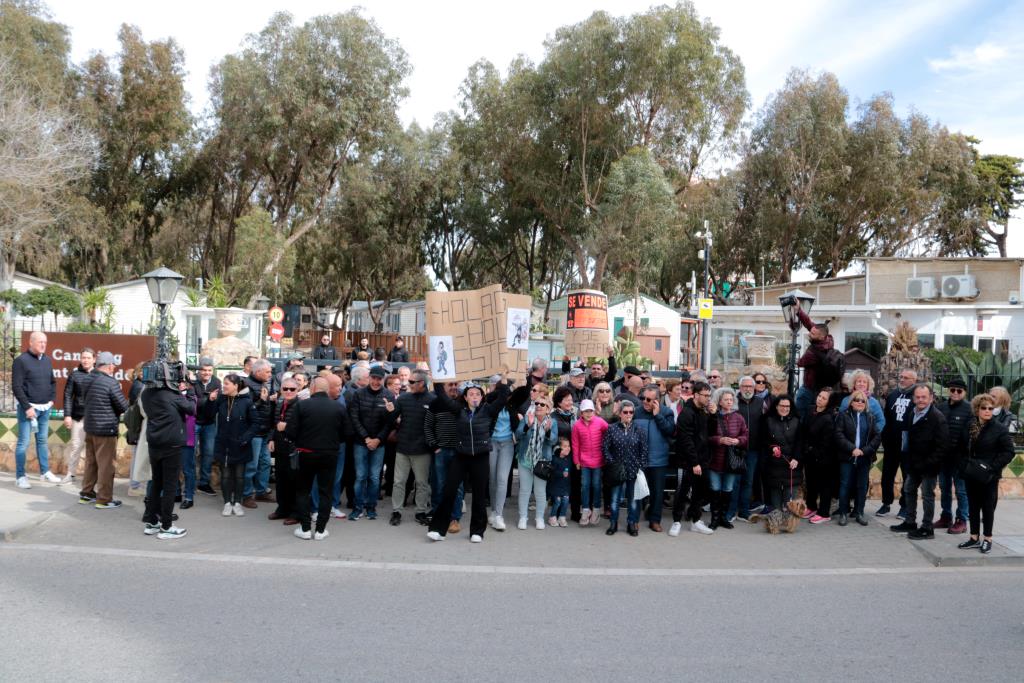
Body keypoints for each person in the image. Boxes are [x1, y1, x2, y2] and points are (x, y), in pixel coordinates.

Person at [426, 378, 511, 543]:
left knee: (479, 495)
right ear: (465, 397)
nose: (474, 397)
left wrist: (504, 383)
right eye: (471, 394)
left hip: (480, 456)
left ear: (481, 397)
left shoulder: (488, 410)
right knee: (449, 491)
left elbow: (502, 398)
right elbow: (442, 396)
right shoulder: (458, 410)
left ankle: (477, 531)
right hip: (461, 456)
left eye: (477, 394)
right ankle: (438, 530)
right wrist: (437, 379)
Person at [287, 376, 350, 540]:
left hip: (306, 453)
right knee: (326, 492)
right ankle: (321, 530)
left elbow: (290, 432)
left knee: (303, 491)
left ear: (312, 388)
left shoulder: (302, 405)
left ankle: (305, 528)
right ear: (327, 389)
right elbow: (347, 434)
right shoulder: (338, 407)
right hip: (329, 454)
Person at [140, 371, 196, 539]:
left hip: (155, 443)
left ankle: (151, 522)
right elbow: (191, 408)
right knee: (170, 485)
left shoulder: (146, 393)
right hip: (171, 445)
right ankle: (166, 526)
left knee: (157, 483)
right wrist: (189, 391)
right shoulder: (172, 395)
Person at [958, 394, 1016, 554]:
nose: (987, 411)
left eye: (991, 408)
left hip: (988, 476)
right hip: (971, 473)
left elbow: (1009, 452)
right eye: (984, 408)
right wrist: (964, 464)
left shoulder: (999, 429)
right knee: (973, 506)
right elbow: (961, 447)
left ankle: (988, 538)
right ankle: (974, 537)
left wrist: (991, 467)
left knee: (988, 507)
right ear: (977, 409)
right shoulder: (970, 425)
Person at [891, 384, 950, 539]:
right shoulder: (912, 413)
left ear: (931, 398)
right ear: (913, 398)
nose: (920, 400)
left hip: (929, 466)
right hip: (913, 464)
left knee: (927, 496)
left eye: (924, 397)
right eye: (917, 397)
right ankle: (910, 522)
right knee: (909, 490)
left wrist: (928, 463)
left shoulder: (938, 418)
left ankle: (927, 528)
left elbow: (942, 447)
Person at [78, 352, 129, 508]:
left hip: (90, 428)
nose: (114, 368)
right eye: (113, 365)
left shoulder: (87, 379)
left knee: (91, 463)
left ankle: (86, 494)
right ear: (109, 365)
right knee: (106, 466)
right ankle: (104, 499)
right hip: (106, 429)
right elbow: (123, 406)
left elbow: (84, 400)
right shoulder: (111, 383)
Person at [385, 369, 435, 526]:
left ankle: (420, 511)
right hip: (403, 447)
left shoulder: (433, 400)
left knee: (421, 483)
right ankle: (396, 511)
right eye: (409, 381)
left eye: (412, 382)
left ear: (422, 383)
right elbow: (392, 420)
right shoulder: (404, 399)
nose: (409, 384)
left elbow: (436, 424)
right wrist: (390, 412)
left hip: (423, 449)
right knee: (399, 482)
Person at [12, 331, 60, 488]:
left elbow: (53, 382)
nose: (43, 345)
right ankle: (20, 476)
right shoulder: (21, 361)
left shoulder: (47, 360)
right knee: (23, 443)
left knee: (42, 441)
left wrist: (52, 400)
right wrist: (27, 407)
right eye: (40, 342)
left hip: (45, 408)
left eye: (45, 342)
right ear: (31, 343)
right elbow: (16, 386)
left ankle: (45, 472)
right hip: (29, 409)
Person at [349, 365, 392, 520]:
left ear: (382, 380)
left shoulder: (388, 395)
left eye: (379, 379)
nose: (375, 381)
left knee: (374, 477)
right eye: (373, 378)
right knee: (360, 476)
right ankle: (357, 507)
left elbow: (389, 423)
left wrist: (378, 439)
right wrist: (367, 438)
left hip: (379, 443)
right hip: (361, 442)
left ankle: (371, 507)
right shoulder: (358, 394)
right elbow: (354, 418)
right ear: (369, 378)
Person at [670, 382, 714, 536]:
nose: (708, 398)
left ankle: (696, 520)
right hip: (689, 460)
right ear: (696, 395)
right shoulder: (687, 413)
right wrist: (694, 462)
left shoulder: (703, 411)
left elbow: (709, 434)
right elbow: (685, 439)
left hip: (703, 459)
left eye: (709, 395)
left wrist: (713, 415)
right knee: (683, 491)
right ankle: (676, 521)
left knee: (701, 490)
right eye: (705, 395)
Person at [213, 374, 259, 516]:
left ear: (235, 386)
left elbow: (255, 423)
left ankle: (237, 502)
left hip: (240, 445)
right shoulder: (220, 399)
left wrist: (245, 439)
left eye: (226, 383)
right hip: (224, 444)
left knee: (240, 476)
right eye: (223, 383)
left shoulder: (247, 402)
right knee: (225, 475)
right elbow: (207, 415)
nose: (223, 386)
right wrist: (210, 401)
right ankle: (227, 503)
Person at [834, 389, 881, 526]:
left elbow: (877, 437)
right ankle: (843, 513)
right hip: (847, 457)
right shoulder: (843, 415)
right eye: (857, 400)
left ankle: (859, 512)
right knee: (845, 485)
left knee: (862, 486)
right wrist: (852, 449)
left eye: (862, 400)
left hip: (864, 458)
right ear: (851, 402)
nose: (859, 402)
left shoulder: (870, 417)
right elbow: (838, 434)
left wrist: (864, 451)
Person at [602, 398, 648, 536]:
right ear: (620, 413)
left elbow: (644, 450)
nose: (629, 414)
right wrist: (612, 462)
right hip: (617, 470)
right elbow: (605, 448)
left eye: (631, 412)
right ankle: (613, 523)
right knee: (615, 499)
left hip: (634, 470)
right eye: (626, 412)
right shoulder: (612, 429)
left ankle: (631, 524)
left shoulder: (639, 430)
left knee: (633, 500)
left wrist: (640, 465)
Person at [706, 387, 749, 530]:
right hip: (715, 459)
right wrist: (720, 440)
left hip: (732, 461)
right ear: (719, 401)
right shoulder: (713, 416)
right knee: (715, 489)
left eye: (731, 399)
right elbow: (706, 437)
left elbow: (745, 435)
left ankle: (723, 518)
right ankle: (714, 518)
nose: (729, 402)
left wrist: (738, 441)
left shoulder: (739, 417)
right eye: (726, 399)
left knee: (728, 489)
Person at [634, 385, 675, 532]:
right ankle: (634, 519)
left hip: (659, 459)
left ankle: (655, 520)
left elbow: (670, 431)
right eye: (643, 398)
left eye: (649, 399)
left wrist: (658, 415)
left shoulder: (667, 412)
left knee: (657, 492)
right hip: (639, 459)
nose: (645, 401)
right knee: (638, 491)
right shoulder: (636, 412)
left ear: (657, 400)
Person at [424, 380, 464, 533]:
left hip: (459, 452)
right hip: (441, 451)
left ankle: (455, 518)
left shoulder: (462, 402)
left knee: (458, 488)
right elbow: (427, 426)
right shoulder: (435, 403)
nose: (454, 387)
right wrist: (434, 446)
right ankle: (439, 515)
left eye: (455, 384)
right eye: (450, 385)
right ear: (443, 387)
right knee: (439, 485)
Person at [514, 394, 558, 530]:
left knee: (540, 491)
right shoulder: (528, 418)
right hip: (525, 459)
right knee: (525, 490)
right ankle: (523, 517)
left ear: (548, 409)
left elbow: (553, 441)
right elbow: (518, 435)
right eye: (536, 404)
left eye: (542, 404)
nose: (538, 406)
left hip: (542, 461)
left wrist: (548, 431)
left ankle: (539, 518)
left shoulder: (552, 422)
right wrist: (527, 426)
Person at [878, 369, 917, 518]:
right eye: (900, 377)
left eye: (905, 377)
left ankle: (904, 506)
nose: (901, 379)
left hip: (908, 445)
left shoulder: (916, 396)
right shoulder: (893, 395)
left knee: (907, 476)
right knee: (887, 474)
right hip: (891, 442)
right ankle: (885, 503)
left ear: (913, 380)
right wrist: (885, 437)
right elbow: (886, 417)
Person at [935, 378, 971, 534]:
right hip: (943, 457)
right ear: (948, 390)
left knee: (961, 491)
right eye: (952, 390)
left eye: (959, 391)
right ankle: (946, 517)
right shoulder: (940, 407)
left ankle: (962, 520)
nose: (955, 393)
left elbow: (971, 435)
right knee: (944, 488)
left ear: (964, 392)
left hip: (961, 458)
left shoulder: (970, 409)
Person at [729, 376, 766, 522]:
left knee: (748, 482)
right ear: (740, 387)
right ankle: (731, 511)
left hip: (753, 449)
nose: (748, 389)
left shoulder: (761, 402)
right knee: (735, 481)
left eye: (750, 386)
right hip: (736, 449)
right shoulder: (733, 401)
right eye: (745, 386)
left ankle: (743, 511)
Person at [793, 304, 838, 419]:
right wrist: (798, 310)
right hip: (819, 388)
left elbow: (800, 362)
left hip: (810, 389)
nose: (809, 334)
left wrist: (798, 360)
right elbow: (809, 324)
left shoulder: (815, 352)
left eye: (812, 334)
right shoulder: (826, 338)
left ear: (821, 337)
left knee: (801, 417)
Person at [267, 377, 301, 525]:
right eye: (285, 389)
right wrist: (272, 439)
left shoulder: (301, 405)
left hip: (294, 448)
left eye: (291, 389)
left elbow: (303, 427)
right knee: (281, 480)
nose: (288, 391)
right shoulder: (280, 403)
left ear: (297, 390)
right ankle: (282, 508)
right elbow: (275, 423)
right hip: (280, 447)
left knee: (293, 481)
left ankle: (295, 512)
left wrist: (286, 426)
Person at [242, 359, 275, 507]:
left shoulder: (264, 384)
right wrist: (262, 400)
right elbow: (245, 410)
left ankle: (261, 492)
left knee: (265, 463)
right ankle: (246, 495)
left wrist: (269, 400)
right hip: (254, 432)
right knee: (251, 466)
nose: (270, 374)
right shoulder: (246, 385)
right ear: (258, 372)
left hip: (265, 432)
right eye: (267, 372)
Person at [802, 388, 837, 524]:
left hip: (824, 458)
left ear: (829, 402)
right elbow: (804, 430)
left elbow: (826, 442)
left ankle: (824, 513)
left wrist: (814, 452)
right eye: (819, 396)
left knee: (824, 486)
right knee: (811, 484)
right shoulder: (811, 410)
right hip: (809, 456)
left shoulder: (829, 418)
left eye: (823, 398)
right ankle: (811, 507)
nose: (819, 399)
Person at [61, 347, 96, 484]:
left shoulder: (98, 374)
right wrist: (67, 415)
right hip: (78, 416)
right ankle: (70, 474)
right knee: (76, 446)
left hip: (94, 417)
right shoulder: (74, 375)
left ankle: (92, 477)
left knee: (93, 449)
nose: (85, 360)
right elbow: (68, 396)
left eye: (88, 358)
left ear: (94, 359)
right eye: (83, 358)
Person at [761, 395, 801, 513]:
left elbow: (800, 442)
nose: (785, 408)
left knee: (790, 499)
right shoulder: (767, 420)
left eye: (787, 406)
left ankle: (790, 523)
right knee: (775, 499)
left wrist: (796, 458)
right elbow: (764, 440)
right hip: (774, 463)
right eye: (782, 406)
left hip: (791, 464)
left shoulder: (797, 420)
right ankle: (775, 522)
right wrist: (772, 447)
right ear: (776, 407)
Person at [572, 399, 608, 526]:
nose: (588, 413)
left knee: (597, 485)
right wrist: (576, 460)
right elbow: (575, 444)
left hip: (598, 460)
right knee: (585, 485)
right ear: (581, 412)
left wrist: (606, 451)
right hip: (584, 461)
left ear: (594, 411)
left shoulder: (600, 422)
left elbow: (608, 433)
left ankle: (597, 509)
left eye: (591, 411)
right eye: (586, 411)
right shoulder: (577, 425)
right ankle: (586, 509)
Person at [488, 374, 517, 531]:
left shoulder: (512, 405)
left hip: (507, 444)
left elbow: (524, 392)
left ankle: (499, 514)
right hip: (492, 443)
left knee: (502, 479)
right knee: (492, 478)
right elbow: (490, 395)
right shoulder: (491, 401)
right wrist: (503, 386)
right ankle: (493, 511)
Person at [192, 358, 221, 496]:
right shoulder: (192, 382)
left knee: (208, 454)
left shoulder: (216, 382)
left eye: (209, 370)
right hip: (194, 422)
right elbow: (192, 403)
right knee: (190, 453)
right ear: (199, 370)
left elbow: (217, 403)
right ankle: (190, 483)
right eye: (204, 370)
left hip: (209, 423)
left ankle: (204, 483)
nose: (207, 373)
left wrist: (209, 401)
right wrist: (208, 399)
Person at [548, 438, 573, 527]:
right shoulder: (554, 459)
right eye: (565, 446)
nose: (568, 448)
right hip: (555, 486)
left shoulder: (568, 459)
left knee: (566, 500)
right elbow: (552, 472)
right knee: (557, 501)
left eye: (568, 446)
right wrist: (561, 474)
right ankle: (552, 517)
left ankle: (562, 517)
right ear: (559, 448)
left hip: (565, 486)